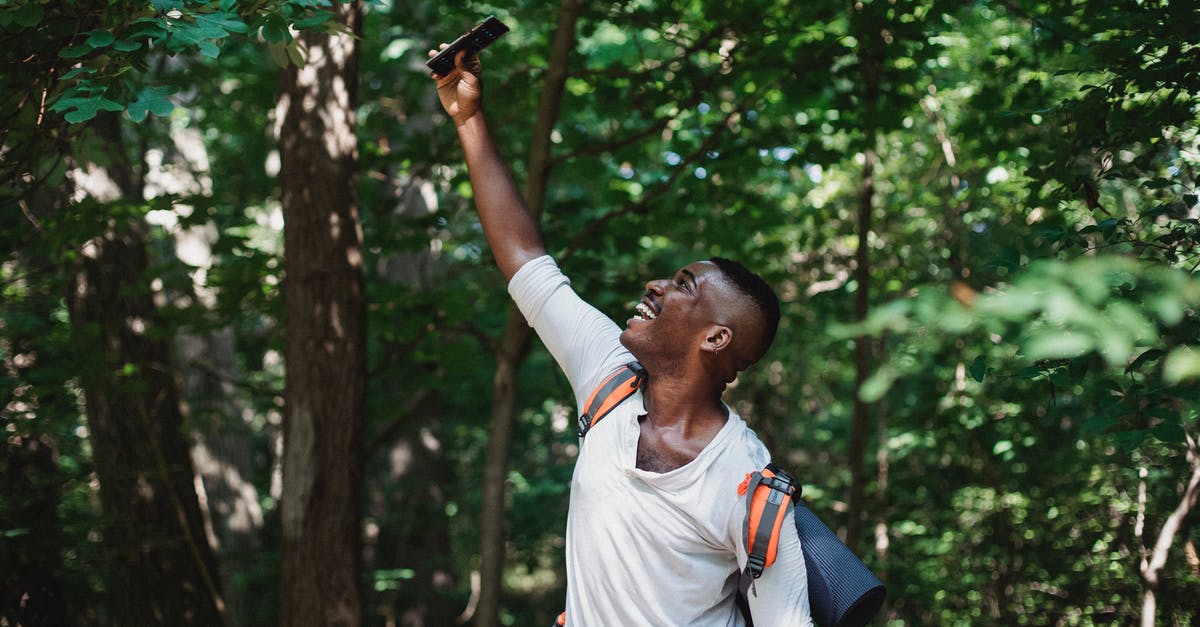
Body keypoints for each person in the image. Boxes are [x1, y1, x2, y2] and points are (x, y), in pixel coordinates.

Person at [429, 45, 812, 626]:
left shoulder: (747, 484)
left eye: (683, 284)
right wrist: (468, 118)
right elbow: (526, 259)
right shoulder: (607, 377)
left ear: (715, 339)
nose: (657, 284)